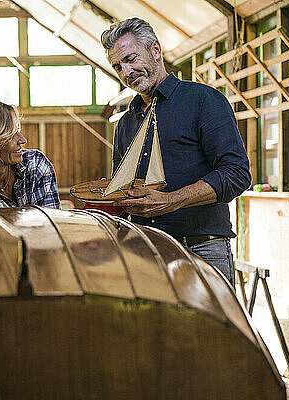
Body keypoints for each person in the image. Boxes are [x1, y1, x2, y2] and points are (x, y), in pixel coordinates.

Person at [101, 18, 251, 287]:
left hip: (202, 250)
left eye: (131, 58)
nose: (126, 71)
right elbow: (122, 191)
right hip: (145, 251)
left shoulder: (205, 101)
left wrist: (172, 201)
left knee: (210, 330)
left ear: (156, 50)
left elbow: (237, 174)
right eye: (117, 66)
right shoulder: (126, 123)